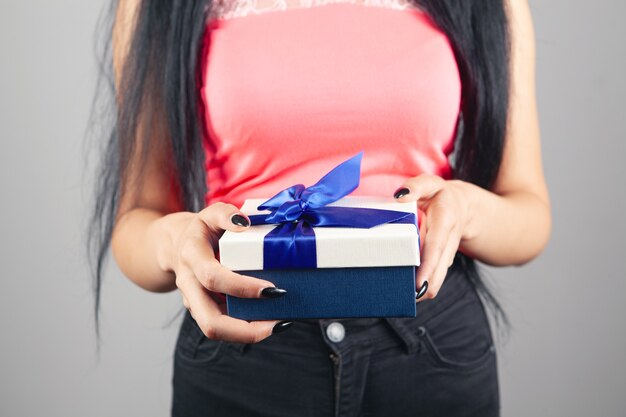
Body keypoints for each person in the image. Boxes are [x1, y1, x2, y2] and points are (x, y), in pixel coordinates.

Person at [88, 0, 551, 415]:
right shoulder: (152, 6)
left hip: (429, 349)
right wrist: (173, 242)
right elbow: (137, 220)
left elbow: (529, 217)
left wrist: (465, 209)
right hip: (242, 345)